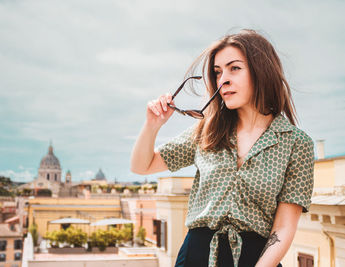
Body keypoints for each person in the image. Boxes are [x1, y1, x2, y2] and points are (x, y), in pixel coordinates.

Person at [131, 29, 315, 267]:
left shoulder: (297, 144)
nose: (223, 79)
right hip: (196, 257)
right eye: (218, 72)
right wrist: (152, 125)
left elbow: (284, 228)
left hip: (257, 260)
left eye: (234, 68)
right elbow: (141, 165)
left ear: (261, 71)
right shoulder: (207, 131)